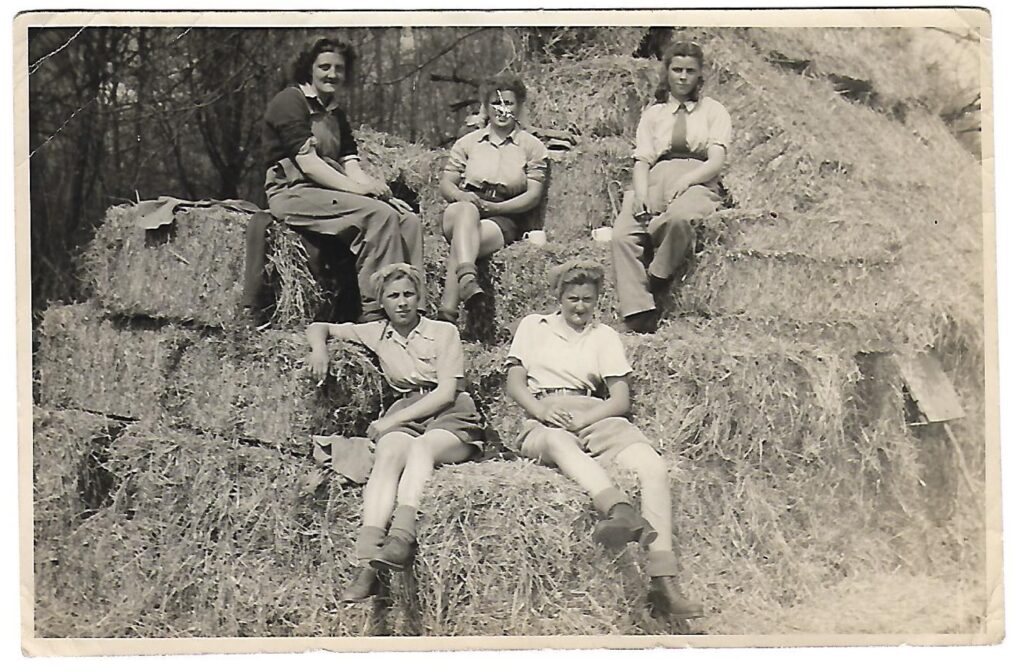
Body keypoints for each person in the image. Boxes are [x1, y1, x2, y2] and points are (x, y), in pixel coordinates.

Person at [504, 260, 703, 618]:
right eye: (572, 298)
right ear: (559, 297)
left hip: (592, 411)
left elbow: (619, 400)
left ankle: (663, 581)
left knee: (653, 467)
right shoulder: (534, 326)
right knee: (556, 443)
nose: (580, 307)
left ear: (597, 300)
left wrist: (586, 418)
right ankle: (617, 508)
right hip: (545, 412)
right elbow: (515, 383)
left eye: (587, 299)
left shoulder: (604, 336)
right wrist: (540, 410)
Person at [306, 263, 484, 602]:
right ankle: (367, 562)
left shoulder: (443, 332)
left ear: (419, 298)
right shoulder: (376, 332)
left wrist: (388, 423)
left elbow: (446, 392)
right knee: (387, 454)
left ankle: (401, 538)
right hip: (406, 413)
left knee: (421, 449)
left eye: (408, 294)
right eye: (393, 296)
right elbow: (319, 326)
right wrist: (320, 350)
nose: (401, 302)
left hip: (450, 413)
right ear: (382, 302)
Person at [263, 37, 424, 322]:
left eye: (339, 68)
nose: (332, 74)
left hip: (327, 190)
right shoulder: (289, 101)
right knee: (379, 216)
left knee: (405, 218)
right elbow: (309, 165)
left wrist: (378, 191)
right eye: (324, 66)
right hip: (293, 192)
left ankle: (414, 312)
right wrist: (361, 191)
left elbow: (351, 164)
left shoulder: (336, 113)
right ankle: (376, 314)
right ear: (308, 69)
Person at [611, 41, 732, 333]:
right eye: (677, 70)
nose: (682, 77)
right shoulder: (654, 114)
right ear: (667, 73)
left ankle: (657, 277)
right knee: (622, 235)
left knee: (681, 218)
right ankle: (639, 311)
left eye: (690, 71)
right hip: (655, 175)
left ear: (699, 75)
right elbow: (642, 160)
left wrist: (689, 180)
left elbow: (716, 160)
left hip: (697, 173)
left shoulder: (714, 111)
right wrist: (640, 193)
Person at [437, 75, 549, 322]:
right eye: (495, 104)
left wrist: (496, 206)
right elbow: (446, 183)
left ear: (518, 106)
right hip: (462, 208)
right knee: (467, 212)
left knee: (463, 241)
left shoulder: (532, 146)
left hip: (502, 216)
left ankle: (447, 312)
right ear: (486, 107)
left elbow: (532, 196)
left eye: (508, 103)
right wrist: (462, 195)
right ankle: (467, 278)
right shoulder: (468, 142)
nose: (502, 110)